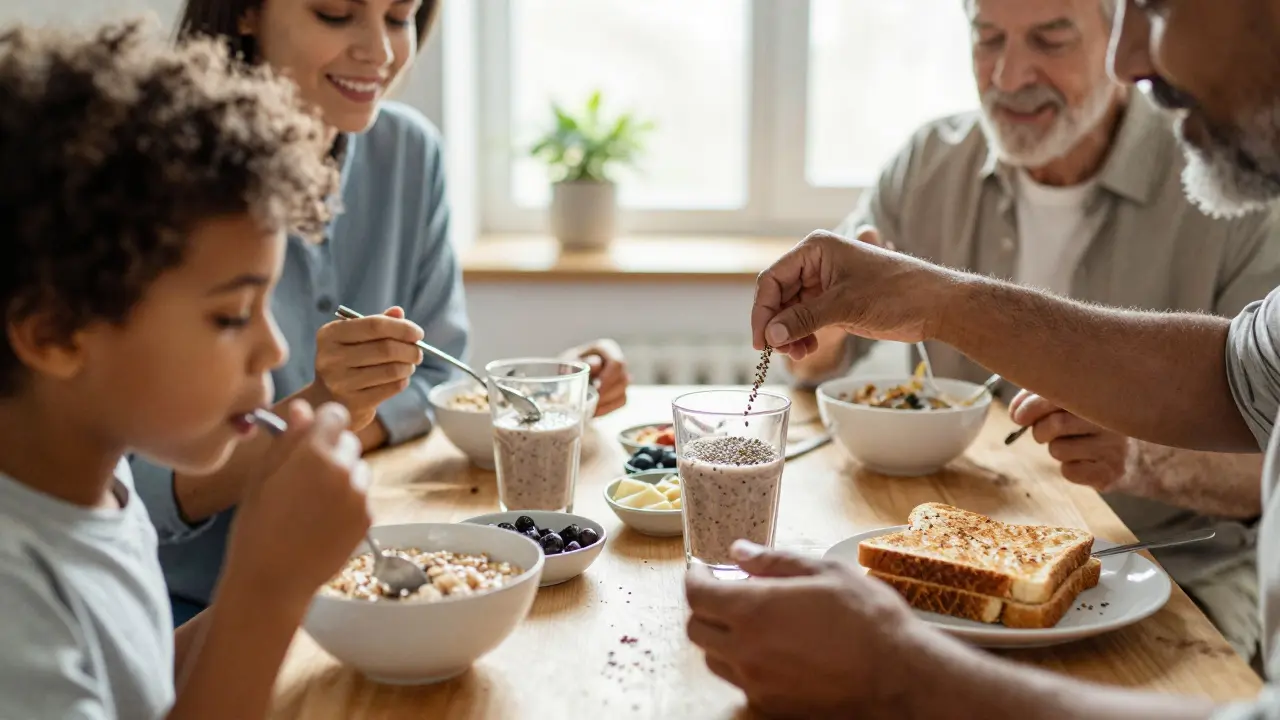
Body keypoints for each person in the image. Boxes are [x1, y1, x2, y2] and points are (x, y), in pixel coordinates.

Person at [686, 0, 1280, 717]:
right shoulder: (931, 161)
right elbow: (1240, 375)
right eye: (986, 39)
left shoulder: (1224, 170)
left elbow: (1252, 441)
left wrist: (901, 673)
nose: (1007, 73)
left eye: (1053, 39)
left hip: (1170, 576)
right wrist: (908, 305)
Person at [137, 0, 631, 626]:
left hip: (365, 587)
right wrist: (327, 409)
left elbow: (435, 383)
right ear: (244, 12)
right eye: (335, 13)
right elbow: (146, 492)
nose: (381, 51)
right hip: (199, 613)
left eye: (399, 16)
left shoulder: (408, 153)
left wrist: (536, 390)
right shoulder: (157, 181)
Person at [0, 19, 371, 718]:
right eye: (232, 316)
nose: (276, 351)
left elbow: (145, 699)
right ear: (55, 333)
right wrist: (266, 589)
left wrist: (299, 575)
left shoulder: (97, 484)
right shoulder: (13, 593)